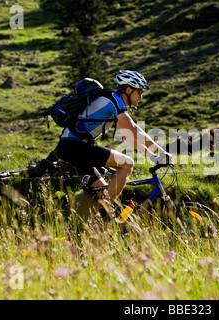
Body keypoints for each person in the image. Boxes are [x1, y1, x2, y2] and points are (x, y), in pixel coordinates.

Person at [55, 70, 172, 221]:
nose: (141, 97)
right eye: (139, 92)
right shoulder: (113, 100)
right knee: (127, 163)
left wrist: (152, 156)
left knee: (103, 191)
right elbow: (135, 130)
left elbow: (130, 137)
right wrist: (161, 151)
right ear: (128, 90)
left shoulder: (114, 103)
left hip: (71, 148)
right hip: (75, 146)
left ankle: (84, 226)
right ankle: (105, 214)